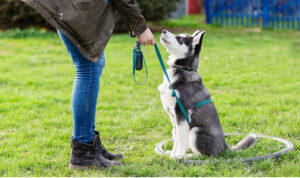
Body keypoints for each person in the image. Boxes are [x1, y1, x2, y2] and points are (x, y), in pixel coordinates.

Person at [23, 0, 155, 169]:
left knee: (93, 64)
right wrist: (141, 28)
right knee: (88, 69)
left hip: (69, 7)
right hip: (70, 8)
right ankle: (83, 152)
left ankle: (89, 144)